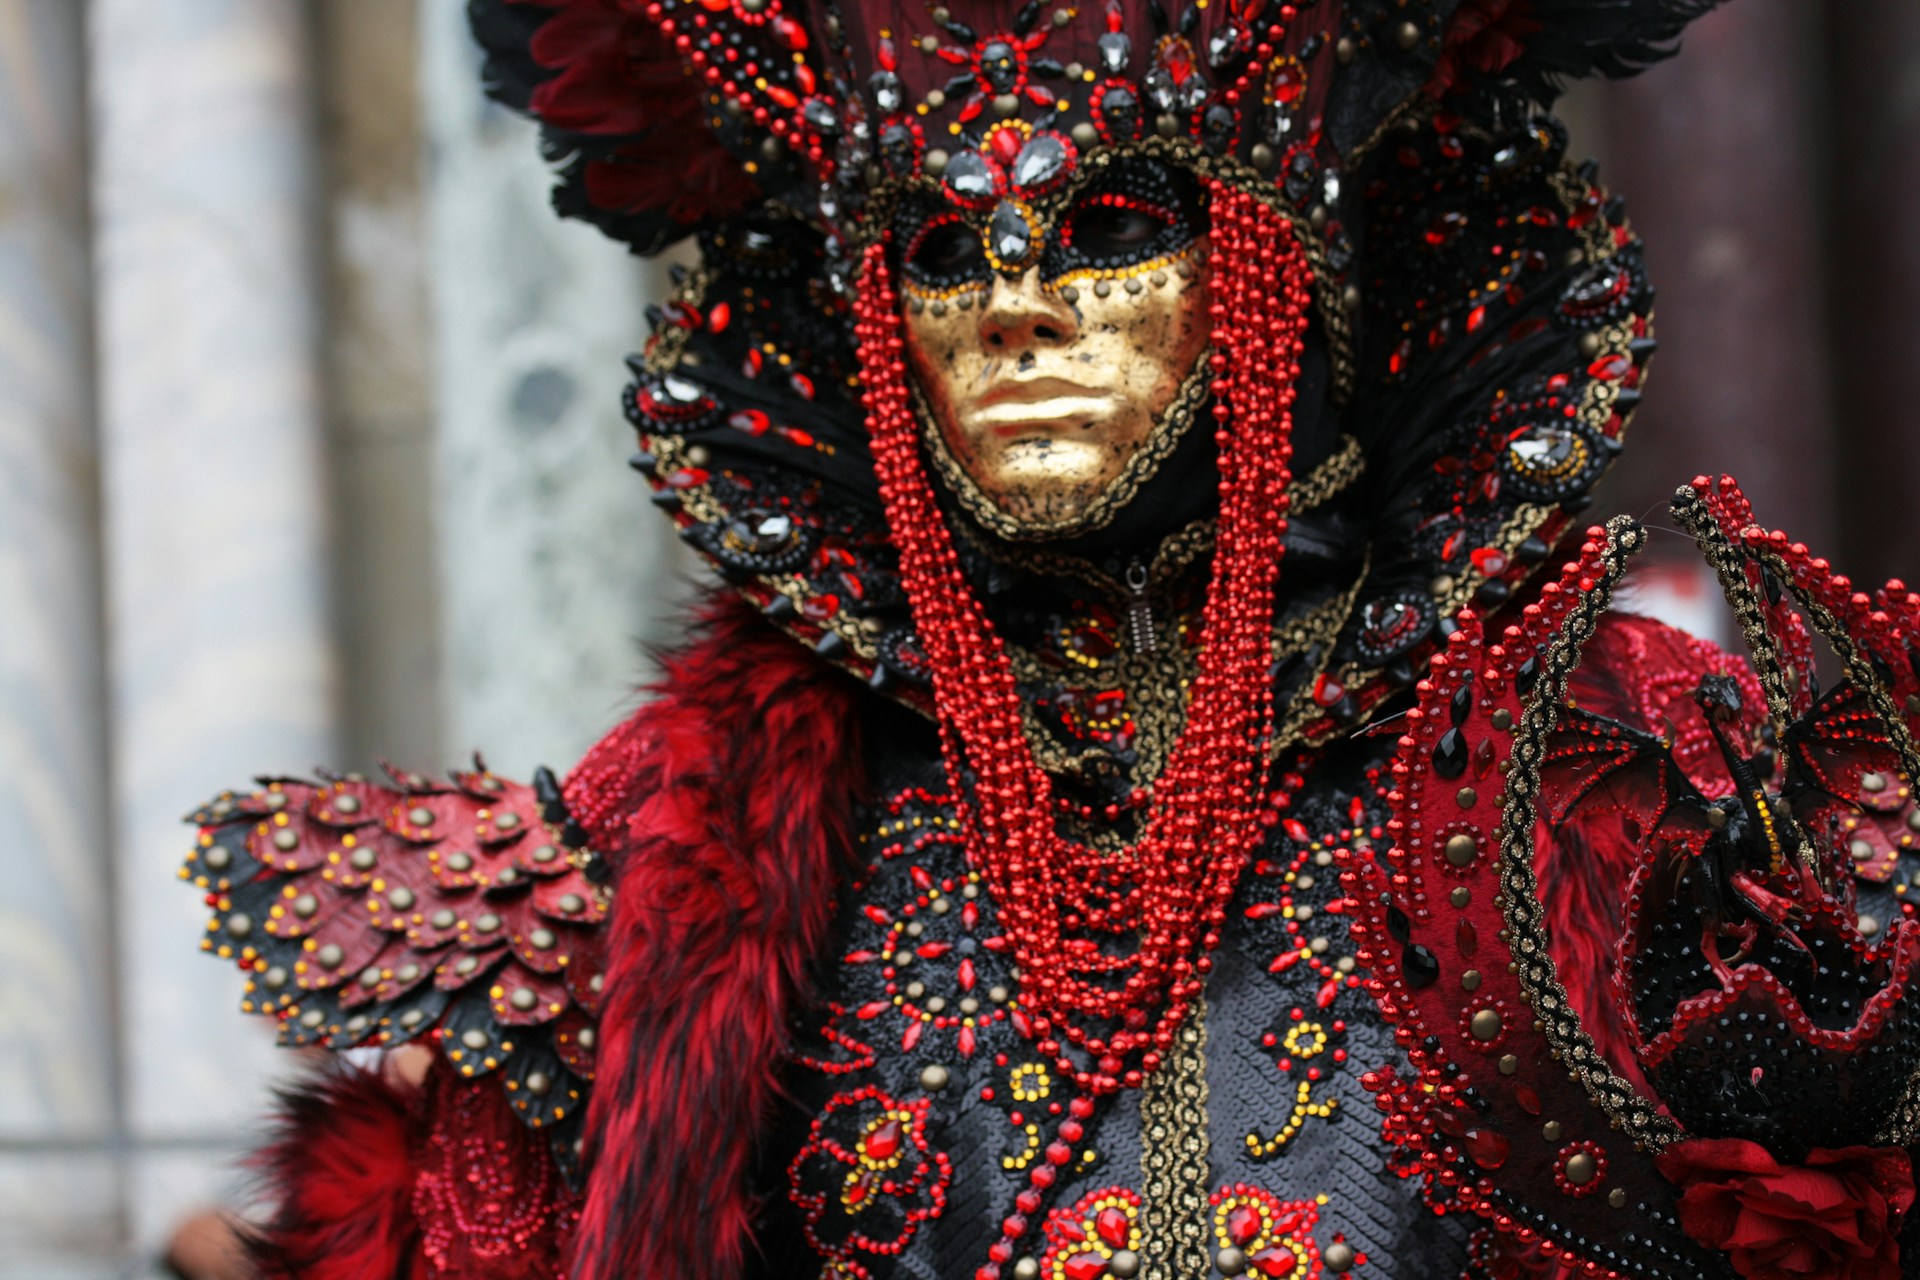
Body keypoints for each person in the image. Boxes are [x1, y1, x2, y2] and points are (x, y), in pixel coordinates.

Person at [179, 1, 1920, 1277]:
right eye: (941, 250)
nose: (1016, 303)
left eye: (1108, 228)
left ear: (1289, 259)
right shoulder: (708, 839)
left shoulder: (1600, 750)